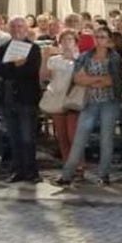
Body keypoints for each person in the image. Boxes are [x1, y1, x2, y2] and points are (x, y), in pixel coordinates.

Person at [53, 28, 122, 186]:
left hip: (109, 102)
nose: (99, 40)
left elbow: (112, 81)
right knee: (79, 138)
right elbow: (78, 79)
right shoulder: (86, 56)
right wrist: (98, 80)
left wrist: (90, 79)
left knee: (106, 139)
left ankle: (104, 174)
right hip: (89, 102)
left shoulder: (114, 58)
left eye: (103, 37)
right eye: (97, 37)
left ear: (109, 40)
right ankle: (67, 174)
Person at [0, 17, 43, 183]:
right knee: (13, 137)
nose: (17, 29)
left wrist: (8, 69)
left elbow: (29, 71)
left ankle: (31, 172)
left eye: (20, 26)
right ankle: (17, 170)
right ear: (9, 29)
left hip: (26, 98)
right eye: (14, 26)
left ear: (26, 29)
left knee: (28, 138)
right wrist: (13, 66)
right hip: (7, 98)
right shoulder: (2, 48)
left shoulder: (33, 48)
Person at [39, 30, 80, 165]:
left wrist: (73, 59)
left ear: (75, 43)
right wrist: (44, 58)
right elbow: (44, 77)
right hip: (57, 98)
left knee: (73, 135)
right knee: (61, 136)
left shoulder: (80, 59)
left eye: (70, 40)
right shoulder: (54, 60)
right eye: (64, 40)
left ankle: (79, 165)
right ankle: (67, 164)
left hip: (73, 99)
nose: (67, 43)